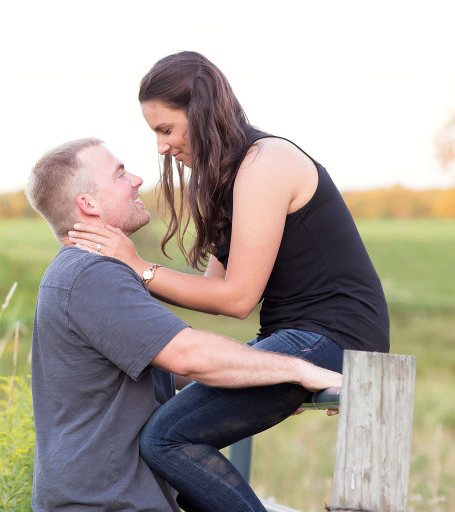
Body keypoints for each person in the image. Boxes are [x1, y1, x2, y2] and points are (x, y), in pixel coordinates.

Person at [67, 51, 390, 511]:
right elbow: (215, 293)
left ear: (199, 113)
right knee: (175, 441)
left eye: (165, 129)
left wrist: (139, 266)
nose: (161, 147)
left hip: (333, 336)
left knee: (167, 439)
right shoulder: (229, 177)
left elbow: (238, 299)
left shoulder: (266, 162)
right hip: (293, 336)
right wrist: (129, 293)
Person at [26, 137, 342, 512]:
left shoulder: (80, 273)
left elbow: (161, 365)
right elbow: (188, 355)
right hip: (108, 502)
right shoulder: (92, 276)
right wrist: (301, 371)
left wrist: (262, 383)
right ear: (88, 203)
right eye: (120, 173)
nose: (137, 179)